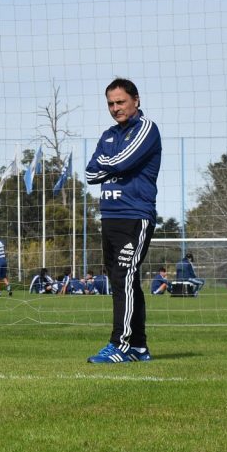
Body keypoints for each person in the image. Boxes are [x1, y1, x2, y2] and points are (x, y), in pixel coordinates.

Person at [85, 78, 161, 363]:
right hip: (109, 216)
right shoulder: (108, 135)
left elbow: (121, 162)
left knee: (123, 277)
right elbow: (91, 173)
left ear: (136, 100)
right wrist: (113, 163)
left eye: (120, 102)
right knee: (123, 282)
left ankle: (121, 345)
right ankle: (139, 348)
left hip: (135, 216)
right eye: (110, 103)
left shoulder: (147, 129)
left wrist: (111, 163)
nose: (115, 108)